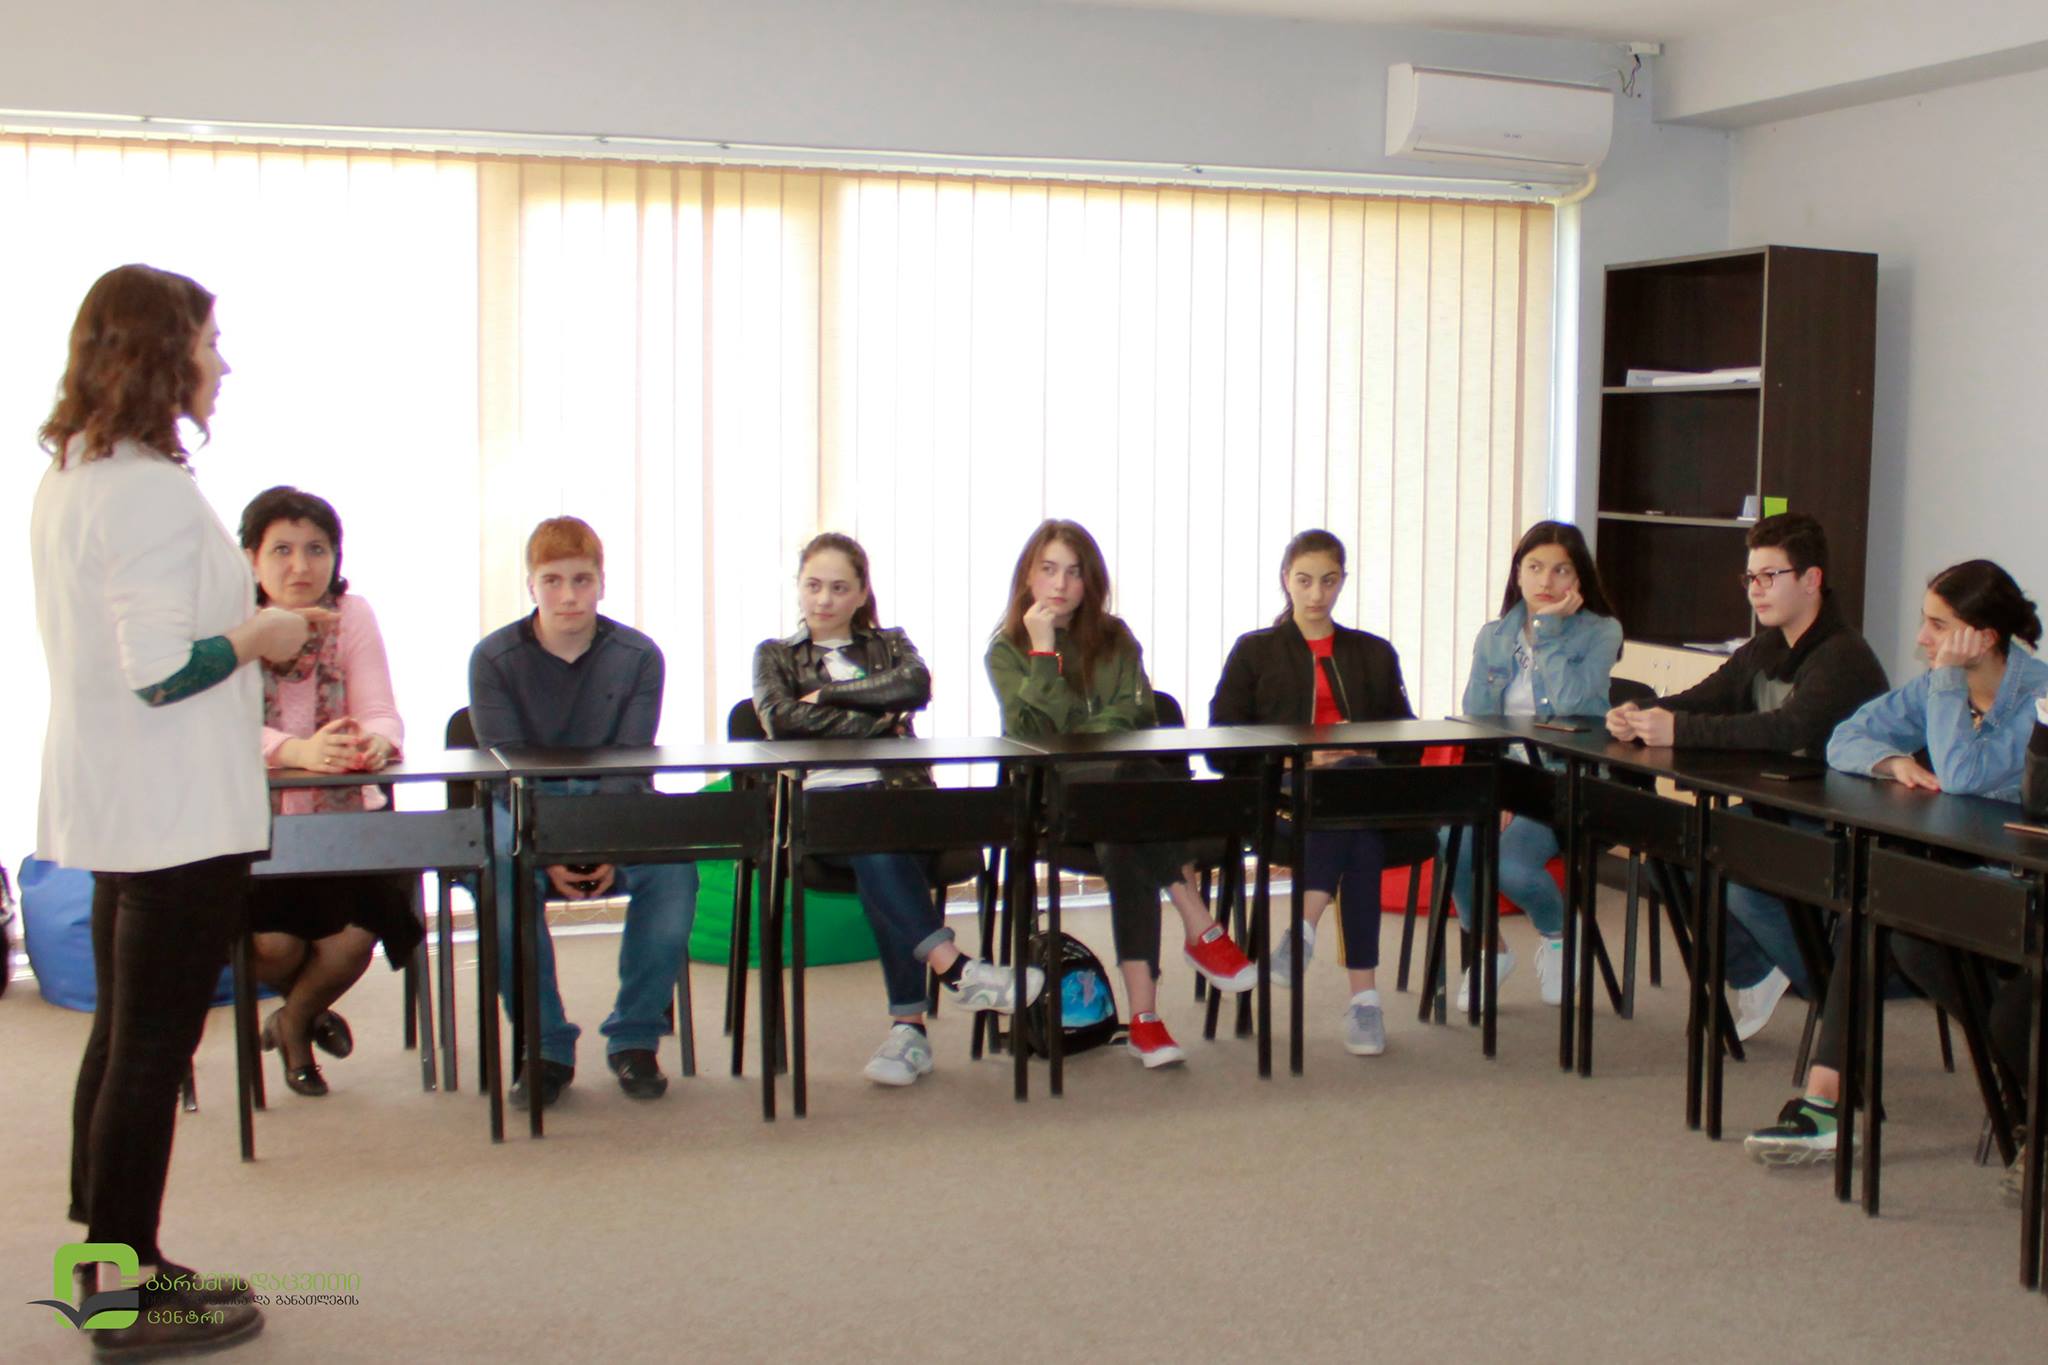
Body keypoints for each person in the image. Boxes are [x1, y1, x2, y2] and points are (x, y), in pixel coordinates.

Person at [34, 264, 311, 1354]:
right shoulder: (144, 486)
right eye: (208, 341)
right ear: (162, 353)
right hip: (173, 811)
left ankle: (110, 1258)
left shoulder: (75, 470)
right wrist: (261, 633)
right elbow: (159, 670)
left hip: (123, 799)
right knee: (152, 1048)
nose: (222, 362)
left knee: (123, 1037)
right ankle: (123, 1288)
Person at [1745, 559, 2048, 1182]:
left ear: (1984, 636)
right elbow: (1845, 737)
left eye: (1938, 625)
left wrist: (1946, 682)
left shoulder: (2036, 698)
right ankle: (1826, 1105)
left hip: (2020, 886)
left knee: (1903, 918)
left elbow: (1963, 776)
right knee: (1880, 904)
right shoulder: (1939, 684)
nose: (1922, 639)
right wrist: (1890, 763)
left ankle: (2023, 1098)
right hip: (1958, 875)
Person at [753, 533, 1044, 1085]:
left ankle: (912, 1030)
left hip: (901, 798)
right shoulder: (775, 655)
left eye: (839, 588)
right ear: (798, 588)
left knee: (880, 841)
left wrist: (830, 697)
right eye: (813, 586)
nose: (824, 599)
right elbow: (781, 720)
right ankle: (952, 975)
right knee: (876, 843)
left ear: (862, 592)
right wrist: (877, 715)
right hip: (822, 811)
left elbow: (914, 685)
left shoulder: (890, 645)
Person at [986, 519, 1257, 1069]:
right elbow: (1034, 735)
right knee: (1129, 795)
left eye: (1074, 572)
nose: (1060, 584)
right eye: (1048, 570)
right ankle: (1197, 925)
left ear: (1091, 582)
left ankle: (1146, 1020)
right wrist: (1043, 654)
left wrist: (1080, 733)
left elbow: (1137, 715)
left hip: (1121, 797)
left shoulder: (1116, 637)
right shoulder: (1007, 649)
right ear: (1028, 575)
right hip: (1053, 800)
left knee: (1125, 830)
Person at [1606, 512, 1888, 1039]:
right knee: (1674, 855)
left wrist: (1678, 730)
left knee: (1740, 879)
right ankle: (1756, 973)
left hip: (1837, 822)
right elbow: (1705, 697)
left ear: (1811, 579)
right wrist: (1639, 712)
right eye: (1750, 578)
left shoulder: (1844, 656)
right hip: (1776, 807)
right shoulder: (1767, 645)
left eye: (1769, 576)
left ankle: (1834, 995)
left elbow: (1784, 729)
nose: (1755, 590)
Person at [470, 516, 699, 1107]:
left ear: (602, 583)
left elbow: (629, 765)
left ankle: (635, 1039)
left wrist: (599, 843)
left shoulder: (639, 656)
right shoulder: (493, 658)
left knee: (675, 869)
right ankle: (544, 1046)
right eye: (552, 581)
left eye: (582, 580)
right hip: (528, 809)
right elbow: (509, 775)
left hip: (613, 804)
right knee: (501, 872)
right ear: (531, 586)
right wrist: (548, 851)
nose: (568, 595)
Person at [237, 486, 422, 1097]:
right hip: (252, 832)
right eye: (282, 550)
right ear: (251, 559)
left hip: (342, 828)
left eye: (317, 549)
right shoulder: (233, 626)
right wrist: (297, 753)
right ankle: (306, 1009)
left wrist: (375, 744)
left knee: (352, 941)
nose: (301, 565)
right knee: (273, 947)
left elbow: (381, 712)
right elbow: (220, 729)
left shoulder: (353, 614)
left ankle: (292, 1022)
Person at [1209, 529, 1414, 1056]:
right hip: (1284, 793)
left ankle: (1301, 929)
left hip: (1358, 787)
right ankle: (1364, 1001)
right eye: (1304, 581)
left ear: (1343, 581)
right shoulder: (1255, 651)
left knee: (1353, 785)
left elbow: (1407, 745)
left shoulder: (1373, 652)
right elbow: (1221, 746)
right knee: (1358, 831)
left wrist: (1358, 749)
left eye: (1328, 581)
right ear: (1286, 580)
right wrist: (1296, 758)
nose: (1316, 594)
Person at [1449, 520, 1622, 1008]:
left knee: (1509, 864)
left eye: (1561, 570)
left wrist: (1547, 632)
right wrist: (1499, 787)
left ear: (1579, 579)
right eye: (1535, 567)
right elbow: (1477, 720)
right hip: (1505, 775)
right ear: (1518, 573)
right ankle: (1490, 951)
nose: (1546, 581)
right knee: (1453, 840)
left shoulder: (1602, 631)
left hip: (1568, 778)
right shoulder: (1494, 636)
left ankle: (1561, 937)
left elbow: (1574, 707)